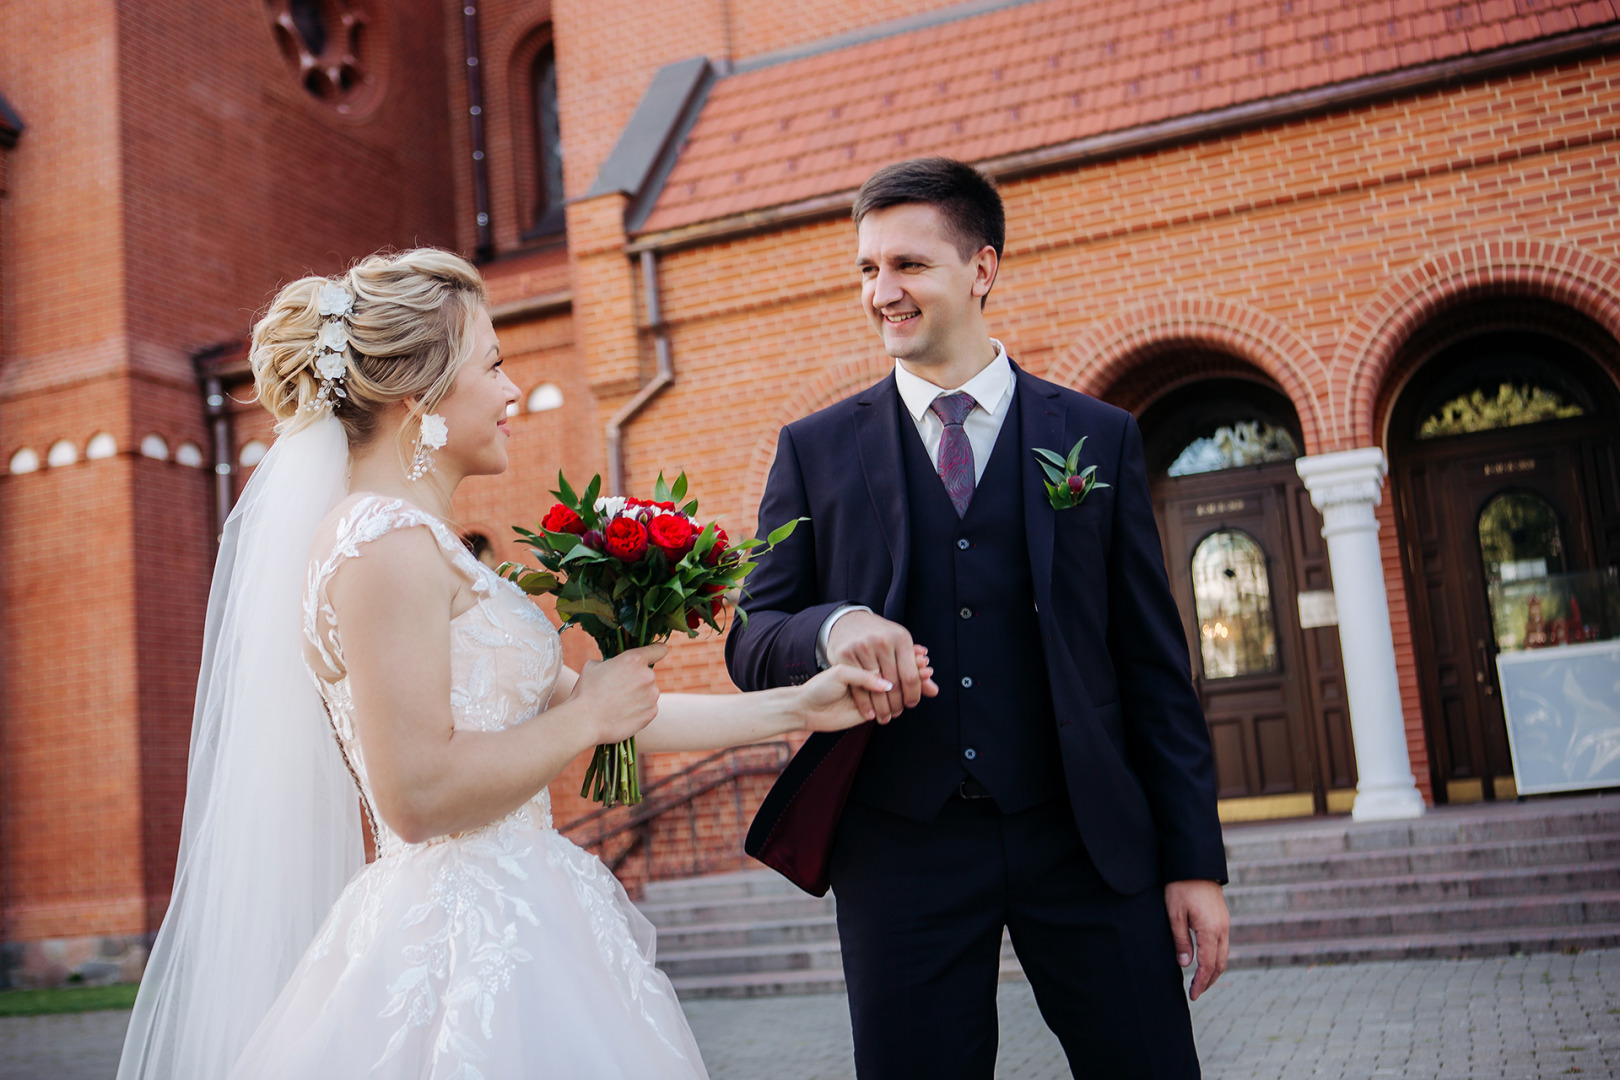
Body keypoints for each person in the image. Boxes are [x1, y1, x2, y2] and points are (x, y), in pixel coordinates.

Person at [117, 248, 915, 1080]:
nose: (511, 393)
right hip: (457, 943)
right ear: (416, 396)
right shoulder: (381, 547)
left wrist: (801, 708)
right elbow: (418, 795)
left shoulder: (437, 551)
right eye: (492, 365)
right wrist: (585, 720)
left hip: (526, 909)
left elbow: (609, 708)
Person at [728, 158, 1231, 1079]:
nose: (884, 292)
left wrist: (1194, 861)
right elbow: (754, 638)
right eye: (868, 271)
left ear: (983, 269)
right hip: (900, 842)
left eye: (909, 266)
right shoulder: (815, 450)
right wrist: (834, 626)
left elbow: (1155, 668)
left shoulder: (1097, 436)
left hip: (1082, 835)